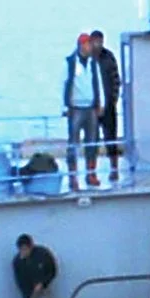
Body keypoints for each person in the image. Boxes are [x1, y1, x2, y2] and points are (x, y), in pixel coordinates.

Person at [63, 32, 104, 190]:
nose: (90, 47)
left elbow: (98, 83)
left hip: (91, 107)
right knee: (73, 142)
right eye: (87, 44)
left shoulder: (93, 63)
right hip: (75, 108)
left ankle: (91, 173)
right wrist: (64, 106)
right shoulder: (70, 62)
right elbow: (62, 84)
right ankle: (73, 177)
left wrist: (100, 103)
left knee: (92, 141)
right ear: (81, 45)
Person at [90, 30, 122, 181]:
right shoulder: (86, 59)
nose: (98, 44)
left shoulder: (109, 57)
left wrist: (113, 100)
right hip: (91, 109)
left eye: (101, 41)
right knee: (92, 141)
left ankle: (114, 170)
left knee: (111, 140)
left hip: (108, 106)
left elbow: (116, 80)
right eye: (96, 41)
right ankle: (92, 172)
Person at [12, 234, 57, 298]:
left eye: (25, 249)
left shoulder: (43, 254)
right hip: (29, 292)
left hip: (43, 288)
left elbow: (53, 271)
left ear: (31, 246)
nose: (23, 252)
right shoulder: (17, 262)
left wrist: (43, 283)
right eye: (21, 250)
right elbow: (20, 282)